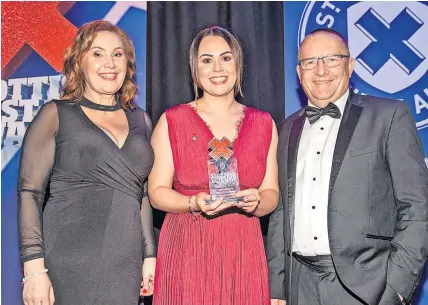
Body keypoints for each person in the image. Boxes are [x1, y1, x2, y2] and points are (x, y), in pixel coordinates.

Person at [267, 28, 428, 305]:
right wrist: (278, 288)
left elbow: (417, 207)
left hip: (367, 288)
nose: (320, 70)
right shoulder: (283, 131)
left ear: (350, 65)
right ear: (299, 71)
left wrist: (396, 289)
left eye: (331, 59)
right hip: (298, 287)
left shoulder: (389, 117)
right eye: (310, 62)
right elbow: (281, 214)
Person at [18, 20, 156, 305]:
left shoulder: (140, 120)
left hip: (124, 265)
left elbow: (141, 194)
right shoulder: (56, 115)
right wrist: (34, 269)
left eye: (117, 54)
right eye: (97, 53)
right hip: (69, 263)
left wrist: (149, 255)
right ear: (79, 62)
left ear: (128, 64)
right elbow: (30, 192)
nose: (110, 63)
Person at [148, 26, 279, 305]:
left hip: (243, 250)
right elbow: (156, 192)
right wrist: (193, 202)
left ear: (238, 64)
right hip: (187, 248)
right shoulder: (172, 121)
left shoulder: (264, 123)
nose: (217, 68)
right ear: (195, 69)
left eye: (226, 58)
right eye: (206, 60)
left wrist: (257, 202)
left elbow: (272, 194)